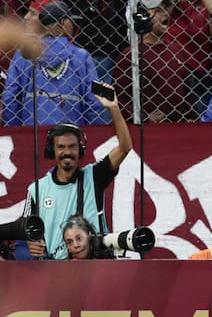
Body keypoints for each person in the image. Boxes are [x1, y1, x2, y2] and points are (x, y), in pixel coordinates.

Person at [22, 91, 132, 260]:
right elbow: (25, 232)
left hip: (96, 263)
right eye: (61, 147)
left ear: (80, 150)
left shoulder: (94, 176)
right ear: (52, 151)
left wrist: (114, 108)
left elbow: (125, 147)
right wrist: (30, 242)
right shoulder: (37, 189)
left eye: (72, 146)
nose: (67, 152)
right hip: (57, 270)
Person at [3, 2, 106, 127]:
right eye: (71, 21)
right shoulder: (81, 56)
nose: (73, 26)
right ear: (62, 23)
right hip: (72, 135)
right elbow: (93, 102)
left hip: (31, 133)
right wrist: (95, 131)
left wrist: (16, 131)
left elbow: (10, 98)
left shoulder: (23, 54)